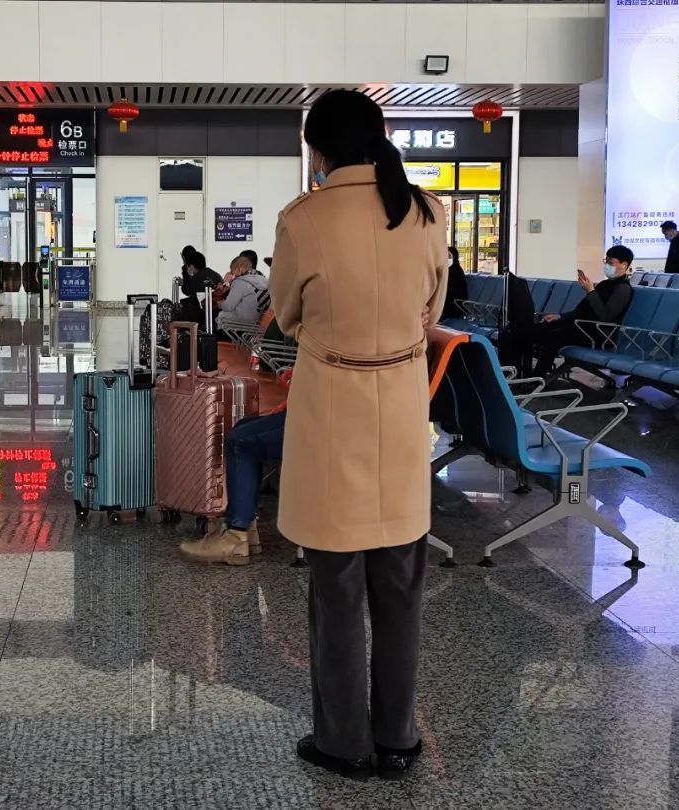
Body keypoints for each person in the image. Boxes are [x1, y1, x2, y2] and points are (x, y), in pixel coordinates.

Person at [268, 90, 447, 781]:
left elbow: (286, 314)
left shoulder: (303, 219)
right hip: (400, 405)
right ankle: (399, 736)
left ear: (318, 150)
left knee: (336, 586)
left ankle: (344, 742)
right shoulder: (425, 212)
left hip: (331, 407)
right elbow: (432, 306)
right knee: (401, 582)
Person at [499, 245, 635, 377]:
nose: (607, 266)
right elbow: (581, 311)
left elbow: (605, 316)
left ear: (624, 265)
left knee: (552, 337)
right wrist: (560, 316)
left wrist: (590, 292)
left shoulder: (623, 289)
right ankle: (515, 374)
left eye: (611, 262)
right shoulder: (605, 284)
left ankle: (537, 379)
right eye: (606, 261)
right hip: (579, 327)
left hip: (594, 334)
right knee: (524, 331)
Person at [178, 407, 287, 564]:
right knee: (242, 426)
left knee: (240, 441)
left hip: (313, 424)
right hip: (311, 416)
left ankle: (236, 536)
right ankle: (248, 530)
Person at [216, 257, 269, 334]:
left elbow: (228, 306)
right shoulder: (263, 280)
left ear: (238, 268)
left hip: (242, 324)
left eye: (232, 270)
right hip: (256, 323)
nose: (232, 273)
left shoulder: (240, 282)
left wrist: (220, 304)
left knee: (219, 315)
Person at [441, 247, 469, 320]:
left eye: (449, 256)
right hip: (449, 306)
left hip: (456, 307)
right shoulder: (448, 270)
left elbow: (450, 289)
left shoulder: (456, 271)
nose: (446, 258)